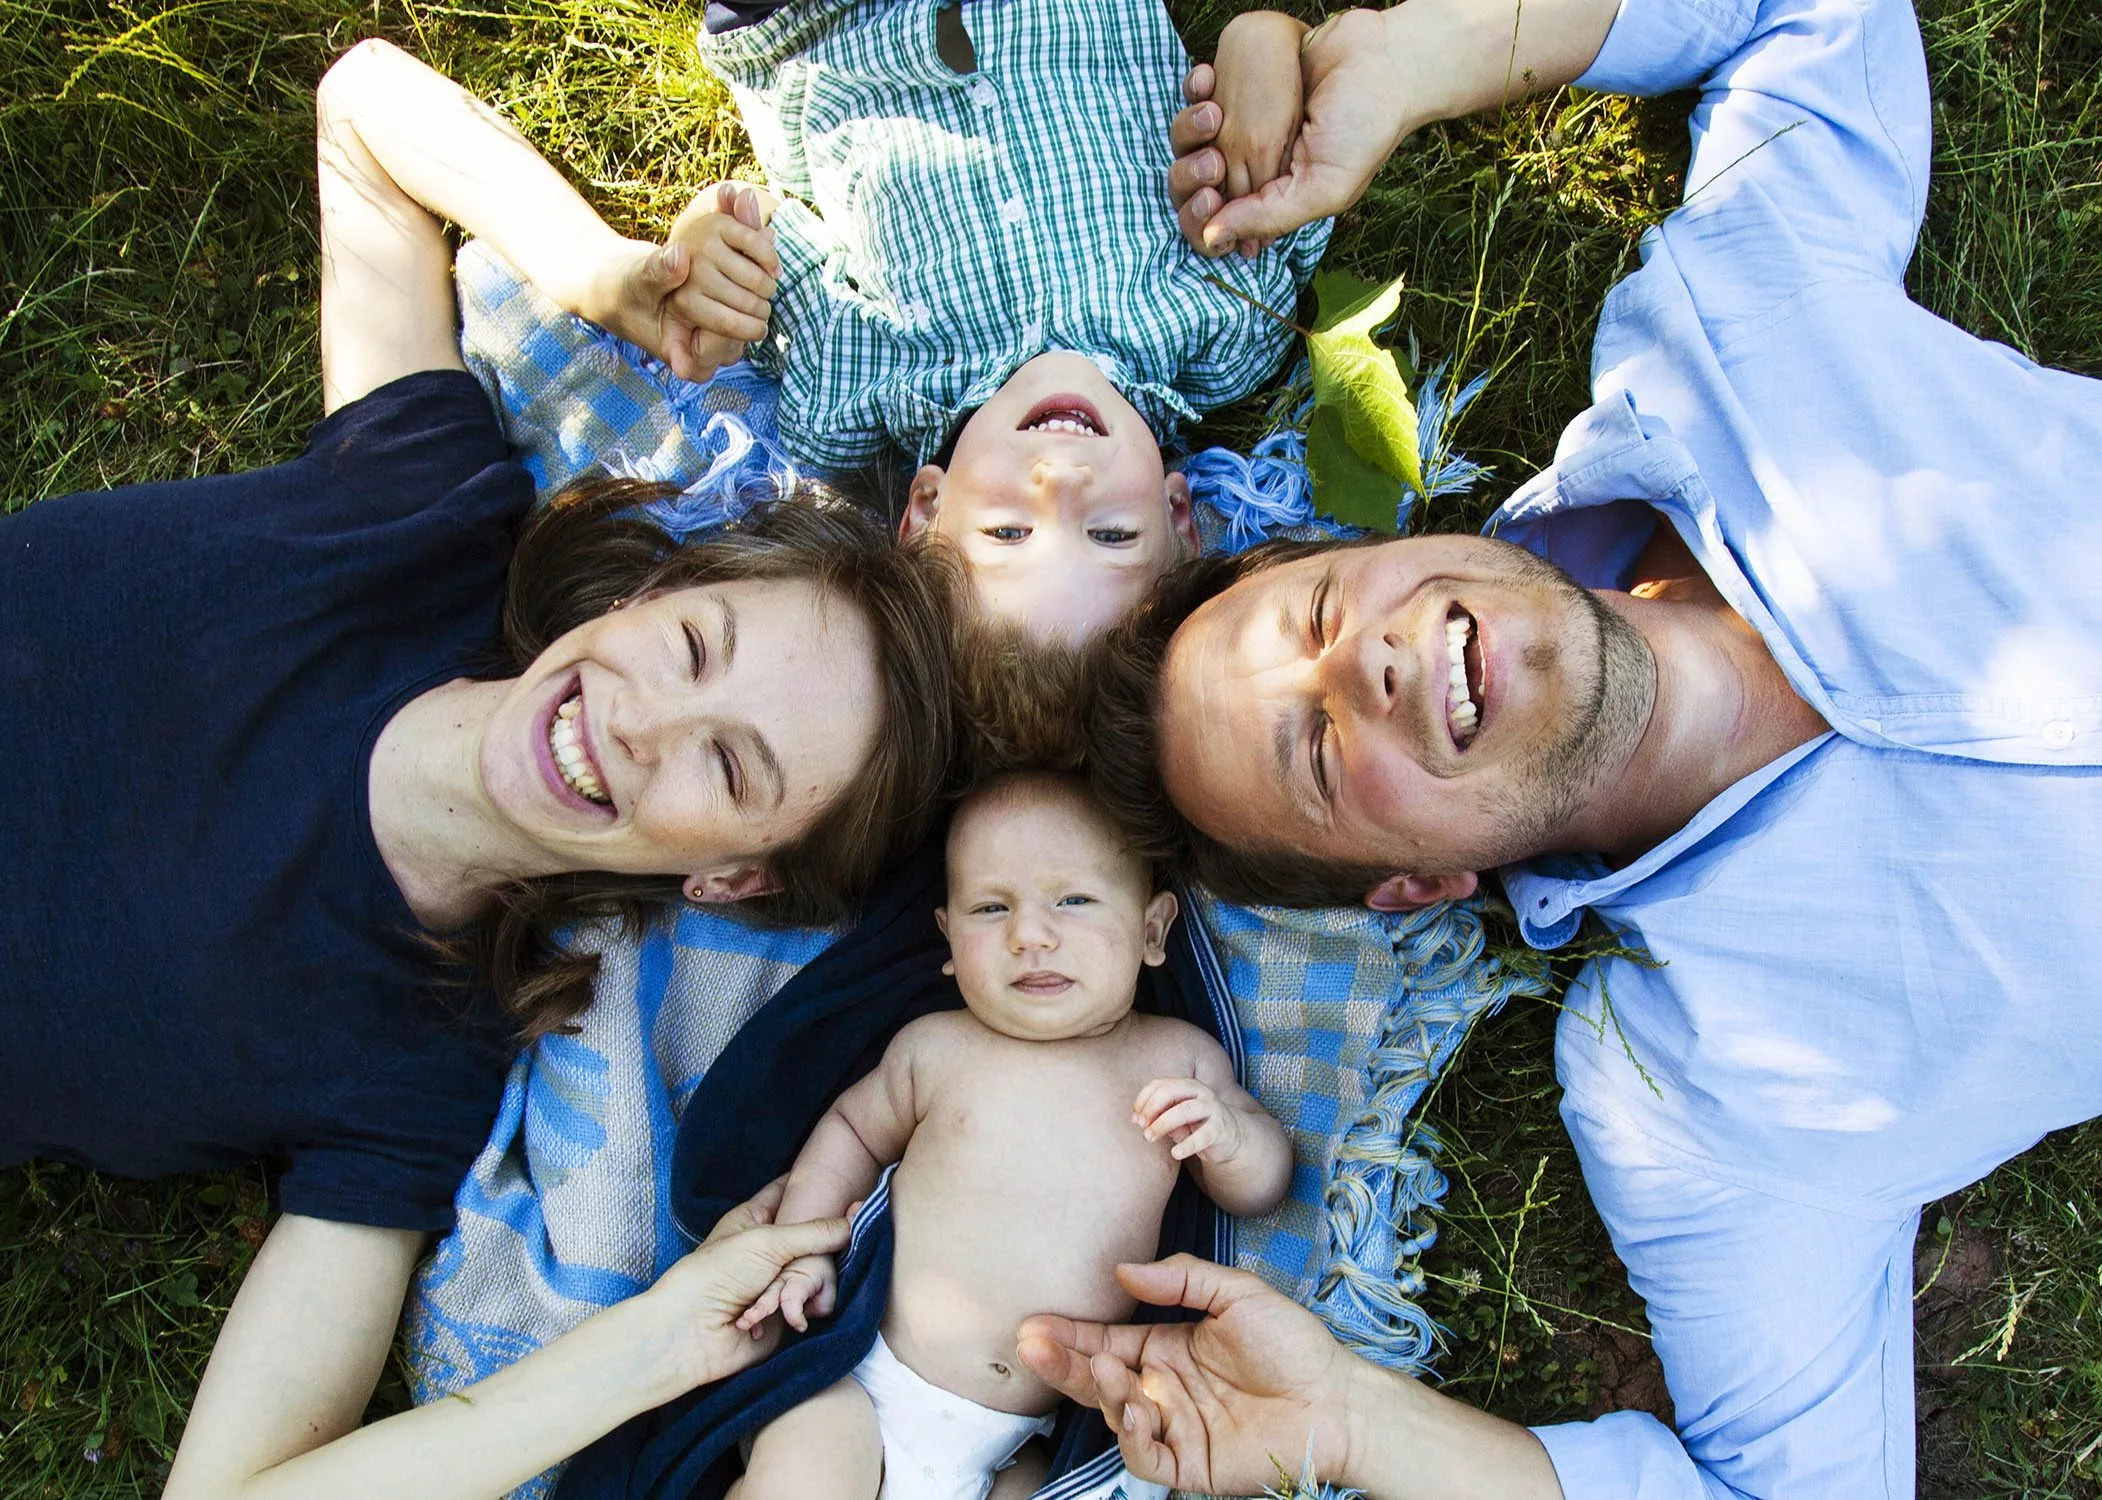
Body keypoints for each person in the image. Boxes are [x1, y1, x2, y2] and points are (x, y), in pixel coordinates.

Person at [1071, 0, 2102, 1495]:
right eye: (1313, 750)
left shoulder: (1725, 346)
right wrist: (1358, 1428)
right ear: (1414, 886)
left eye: (1312, 613)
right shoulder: (1692, 1099)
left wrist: (1420, 62)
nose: (1358, 660)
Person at [0, 37, 955, 1498]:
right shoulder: (423, 520)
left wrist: (649, 1347)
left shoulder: (405, 1067)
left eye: (731, 764)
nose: (642, 722)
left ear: (730, 875)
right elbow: (363, 114)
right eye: (694, 650)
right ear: (645, 596)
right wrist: (604, 273)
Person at [594, 0, 1331, 645]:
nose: (1061, 478)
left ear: (925, 510)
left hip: (819, 27)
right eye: (1111, 534)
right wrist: (1261, 42)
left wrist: (704, 250)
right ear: (1178, 516)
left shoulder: (859, 391)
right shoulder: (1226, 326)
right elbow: (1296, 151)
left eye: (1009, 532)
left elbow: (748, 234)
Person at [729, 772, 1290, 1500]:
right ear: (950, 942)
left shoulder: (1180, 1059)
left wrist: (1230, 1142)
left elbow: (1263, 1186)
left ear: (1152, 931)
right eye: (992, 908)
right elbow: (849, 1133)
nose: (1030, 936)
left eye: (1074, 900)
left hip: (1019, 1446)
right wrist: (802, 1251)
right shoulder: (936, 1049)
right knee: (805, 1481)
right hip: (860, 1387)